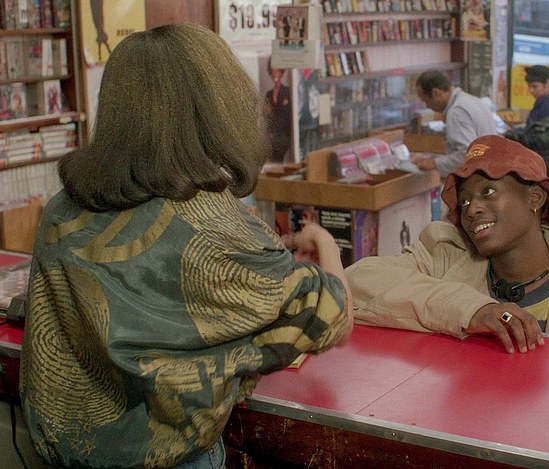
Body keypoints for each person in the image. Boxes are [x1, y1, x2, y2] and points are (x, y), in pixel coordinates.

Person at [19, 24, 353, 469]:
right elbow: (334, 316)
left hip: (65, 456)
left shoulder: (62, 209)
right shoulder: (212, 220)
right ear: (215, 108)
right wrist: (325, 242)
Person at [347, 134, 549, 354]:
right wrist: (472, 309)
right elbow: (354, 283)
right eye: (464, 201)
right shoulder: (443, 256)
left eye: (488, 191)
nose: (472, 209)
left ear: (534, 198)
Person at [411, 70, 497, 178]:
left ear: (436, 93)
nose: (427, 106)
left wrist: (434, 163)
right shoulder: (472, 101)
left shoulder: (457, 112)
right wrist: (434, 158)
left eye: (425, 101)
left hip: (478, 177)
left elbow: (467, 155)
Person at [504, 65, 549, 195]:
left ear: (547, 83)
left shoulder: (548, 105)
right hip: (541, 162)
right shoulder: (543, 101)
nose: (531, 91)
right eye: (530, 87)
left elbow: (541, 137)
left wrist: (512, 135)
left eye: (535, 87)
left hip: (544, 164)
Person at [266, 57, 293, 162]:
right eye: (272, 72)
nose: (274, 75)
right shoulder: (269, 94)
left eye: (276, 71)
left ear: (281, 72)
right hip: (272, 136)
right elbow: (267, 119)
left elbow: (286, 117)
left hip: (284, 136)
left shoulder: (288, 92)